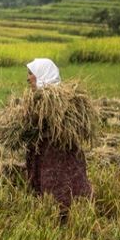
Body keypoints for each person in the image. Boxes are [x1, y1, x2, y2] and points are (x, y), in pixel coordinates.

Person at [24, 58, 92, 216]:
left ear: (42, 75)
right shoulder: (41, 99)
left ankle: (65, 213)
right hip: (43, 154)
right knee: (48, 189)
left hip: (55, 155)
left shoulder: (58, 101)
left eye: (30, 74)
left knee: (59, 185)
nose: (28, 78)